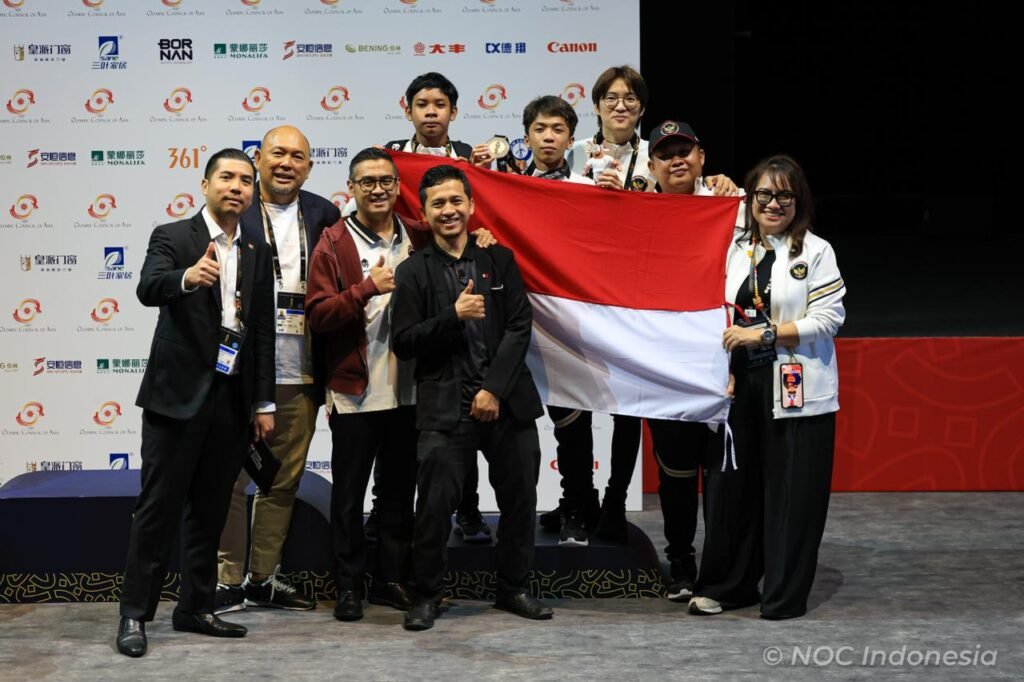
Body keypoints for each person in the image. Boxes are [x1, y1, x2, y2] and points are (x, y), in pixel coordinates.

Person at [116, 149, 275, 657]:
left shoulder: (256, 247)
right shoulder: (173, 236)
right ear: (205, 185)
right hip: (176, 399)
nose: (237, 187)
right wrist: (187, 278)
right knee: (157, 509)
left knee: (210, 511)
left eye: (245, 180)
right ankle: (134, 614)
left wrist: (263, 402)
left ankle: (196, 607)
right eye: (226, 177)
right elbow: (147, 288)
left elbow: (263, 332)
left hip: (232, 400)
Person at [391, 165, 552, 631]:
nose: (449, 210)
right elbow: (404, 341)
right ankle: (427, 595)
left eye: (456, 201)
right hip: (444, 409)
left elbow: (519, 326)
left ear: (471, 205)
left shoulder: (498, 259)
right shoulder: (412, 271)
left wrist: (492, 389)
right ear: (424, 212)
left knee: (520, 502)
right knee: (433, 508)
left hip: (506, 402)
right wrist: (452, 315)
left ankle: (514, 588)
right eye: (438, 203)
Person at [690, 154, 846, 619]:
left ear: (799, 201)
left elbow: (828, 319)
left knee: (792, 493)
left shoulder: (815, 251)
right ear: (749, 198)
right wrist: (715, 180)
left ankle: (783, 594)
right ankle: (728, 586)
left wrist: (765, 335)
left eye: (784, 195)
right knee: (730, 489)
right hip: (736, 382)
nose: (773, 204)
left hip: (796, 385)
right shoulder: (734, 246)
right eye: (763, 194)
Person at [354, 72, 492, 545]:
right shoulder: (390, 157)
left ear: (454, 111)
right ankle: (384, 511)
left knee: (461, 418)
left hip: (459, 283)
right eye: (422, 104)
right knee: (400, 427)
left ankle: (468, 509)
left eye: (440, 104)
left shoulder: (473, 157)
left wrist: (484, 233)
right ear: (407, 109)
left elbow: (489, 212)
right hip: (408, 281)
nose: (431, 111)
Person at [216, 126, 341, 614]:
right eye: (277, 154)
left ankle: (263, 578)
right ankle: (226, 580)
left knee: (281, 481)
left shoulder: (324, 213)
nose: (287, 163)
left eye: (298, 156)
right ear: (259, 159)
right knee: (229, 479)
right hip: (238, 371)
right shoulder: (236, 209)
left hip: (302, 370)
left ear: (309, 167)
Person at [305, 148, 429, 622]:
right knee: (349, 494)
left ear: (397, 186)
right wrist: (366, 289)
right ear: (351, 188)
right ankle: (348, 585)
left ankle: (390, 580)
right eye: (367, 182)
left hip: (410, 389)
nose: (378, 189)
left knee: (398, 493)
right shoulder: (333, 241)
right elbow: (318, 314)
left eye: (386, 181)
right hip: (354, 388)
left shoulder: (418, 234)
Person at [643, 120, 743, 602]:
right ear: (651, 166)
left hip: (726, 359)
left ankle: (723, 567)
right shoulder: (637, 214)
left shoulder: (734, 207)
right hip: (668, 364)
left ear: (702, 157)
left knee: (724, 475)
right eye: (666, 154)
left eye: (685, 151)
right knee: (676, 472)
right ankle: (681, 560)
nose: (676, 160)